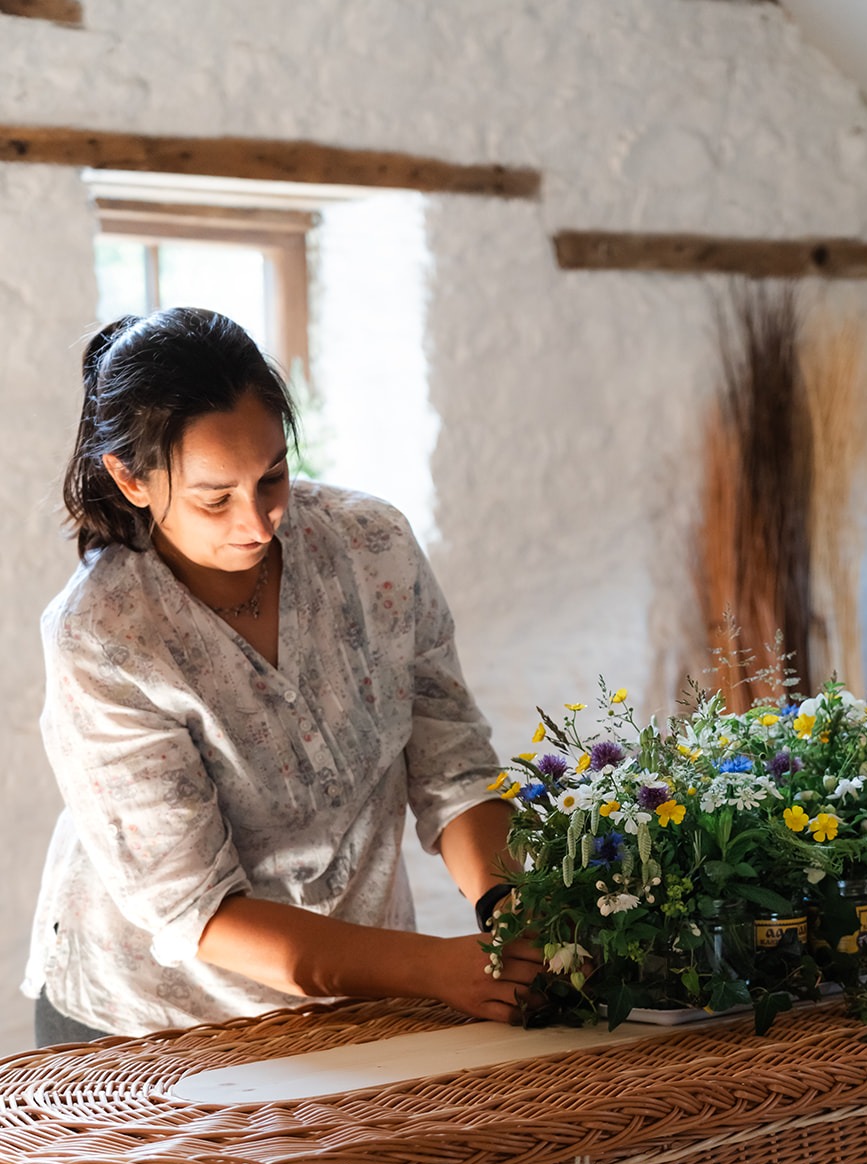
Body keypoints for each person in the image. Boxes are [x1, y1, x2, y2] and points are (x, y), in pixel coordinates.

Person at [23, 307, 542, 1046]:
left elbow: (450, 763)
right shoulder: (106, 636)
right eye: (214, 496)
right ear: (129, 479)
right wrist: (435, 970)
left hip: (365, 991)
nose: (258, 521)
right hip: (154, 1021)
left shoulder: (372, 547)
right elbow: (197, 910)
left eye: (272, 476)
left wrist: (507, 910)